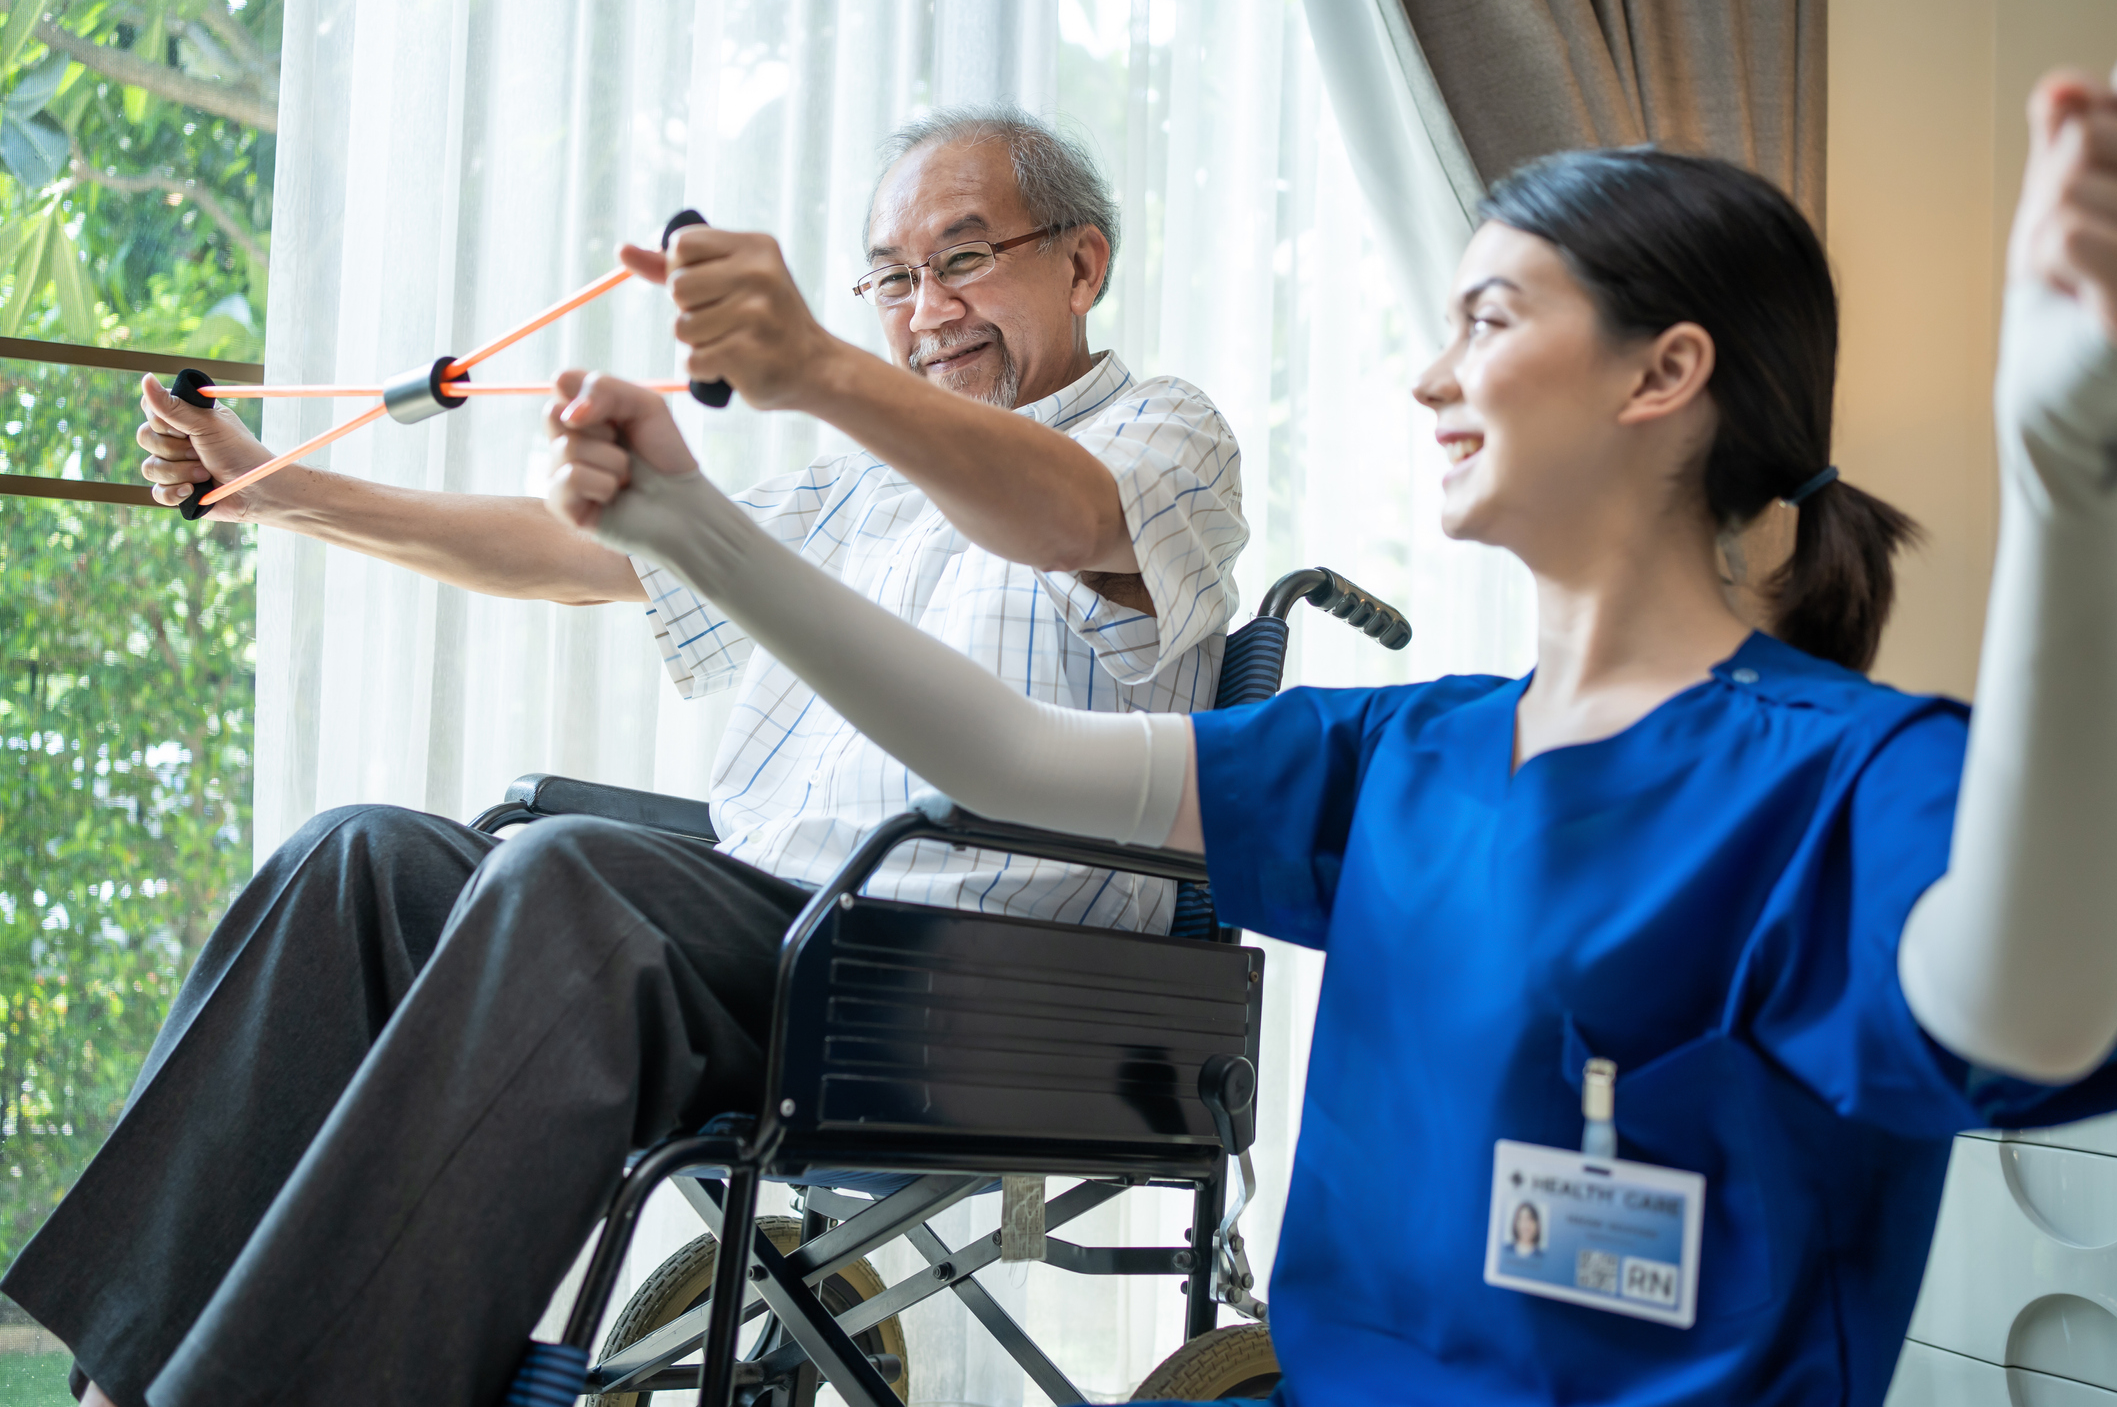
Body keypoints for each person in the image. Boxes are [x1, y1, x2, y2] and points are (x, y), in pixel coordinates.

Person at [537, 61, 2117, 1406]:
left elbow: (2030, 1020)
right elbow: (1012, 764)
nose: (1432, 376)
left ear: (1666, 371)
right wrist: (693, 531)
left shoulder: (1840, 775)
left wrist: (2066, 488)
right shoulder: (1401, 757)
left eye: (1489, 319)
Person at [3, 107, 1246, 1407]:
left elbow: (1062, 517)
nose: (925, 306)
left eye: (964, 257)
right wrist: (280, 488)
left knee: (571, 879)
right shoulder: (854, 486)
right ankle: (114, 1386)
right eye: (889, 275)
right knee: (358, 858)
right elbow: (577, 558)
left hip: (979, 984)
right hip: (767, 936)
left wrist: (816, 362)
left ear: (1081, 266)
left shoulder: (1160, 436)